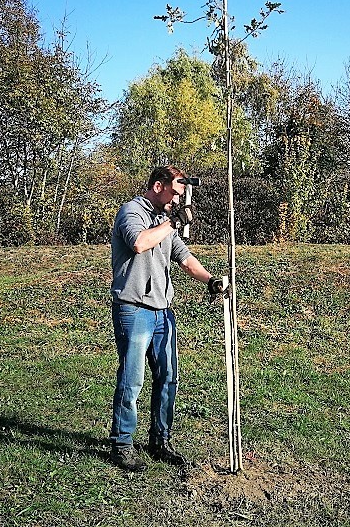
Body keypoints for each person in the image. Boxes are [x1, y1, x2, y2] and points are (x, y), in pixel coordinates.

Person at [108, 165, 225, 472]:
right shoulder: (131, 212)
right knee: (132, 380)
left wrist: (211, 279)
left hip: (163, 313)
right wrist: (173, 221)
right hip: (133, 309)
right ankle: (122, 444)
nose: (178, 199)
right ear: (158, 187)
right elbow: (138, 243)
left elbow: (185, 258)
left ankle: (160, 440)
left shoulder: (164, 221)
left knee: (168, 378)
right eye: (175, 192)